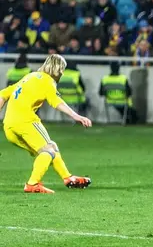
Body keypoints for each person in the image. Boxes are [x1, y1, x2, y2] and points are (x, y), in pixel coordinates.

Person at [0, 54, 91, 193]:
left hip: (9, 126)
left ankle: (68, 177)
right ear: (59, 70)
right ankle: (32, 184)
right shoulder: (47, 81)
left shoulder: (30, 76)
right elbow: (56, 102)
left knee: (50, 147)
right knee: (49, 150)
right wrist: (76, 116)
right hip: (26, 121)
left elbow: (4, 94)